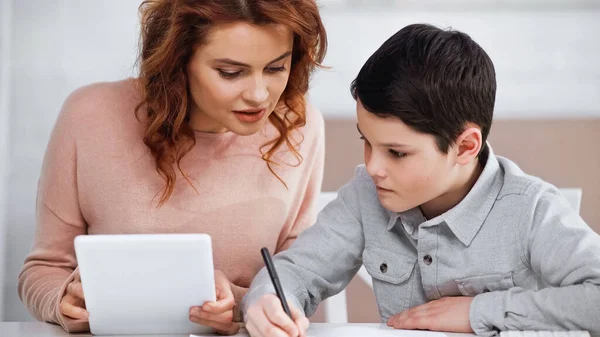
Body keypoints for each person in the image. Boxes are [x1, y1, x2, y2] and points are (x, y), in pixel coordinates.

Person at [242, 23, 600, 337]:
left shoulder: (531, 209)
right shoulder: (366, 195)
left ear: (465, 146)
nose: (373, 167)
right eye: (366, 142)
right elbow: (295, 271)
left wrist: (478, 313)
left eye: (396, 153)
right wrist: (270, 302)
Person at [18, 0, 327, 334]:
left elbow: (298, 280)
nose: (258, 95)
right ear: (178, 61)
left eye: (276, 68)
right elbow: (44, 269)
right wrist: (62, 300)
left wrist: (240, 305)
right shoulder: (89, 116)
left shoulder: (300, 126)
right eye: (230, 73)